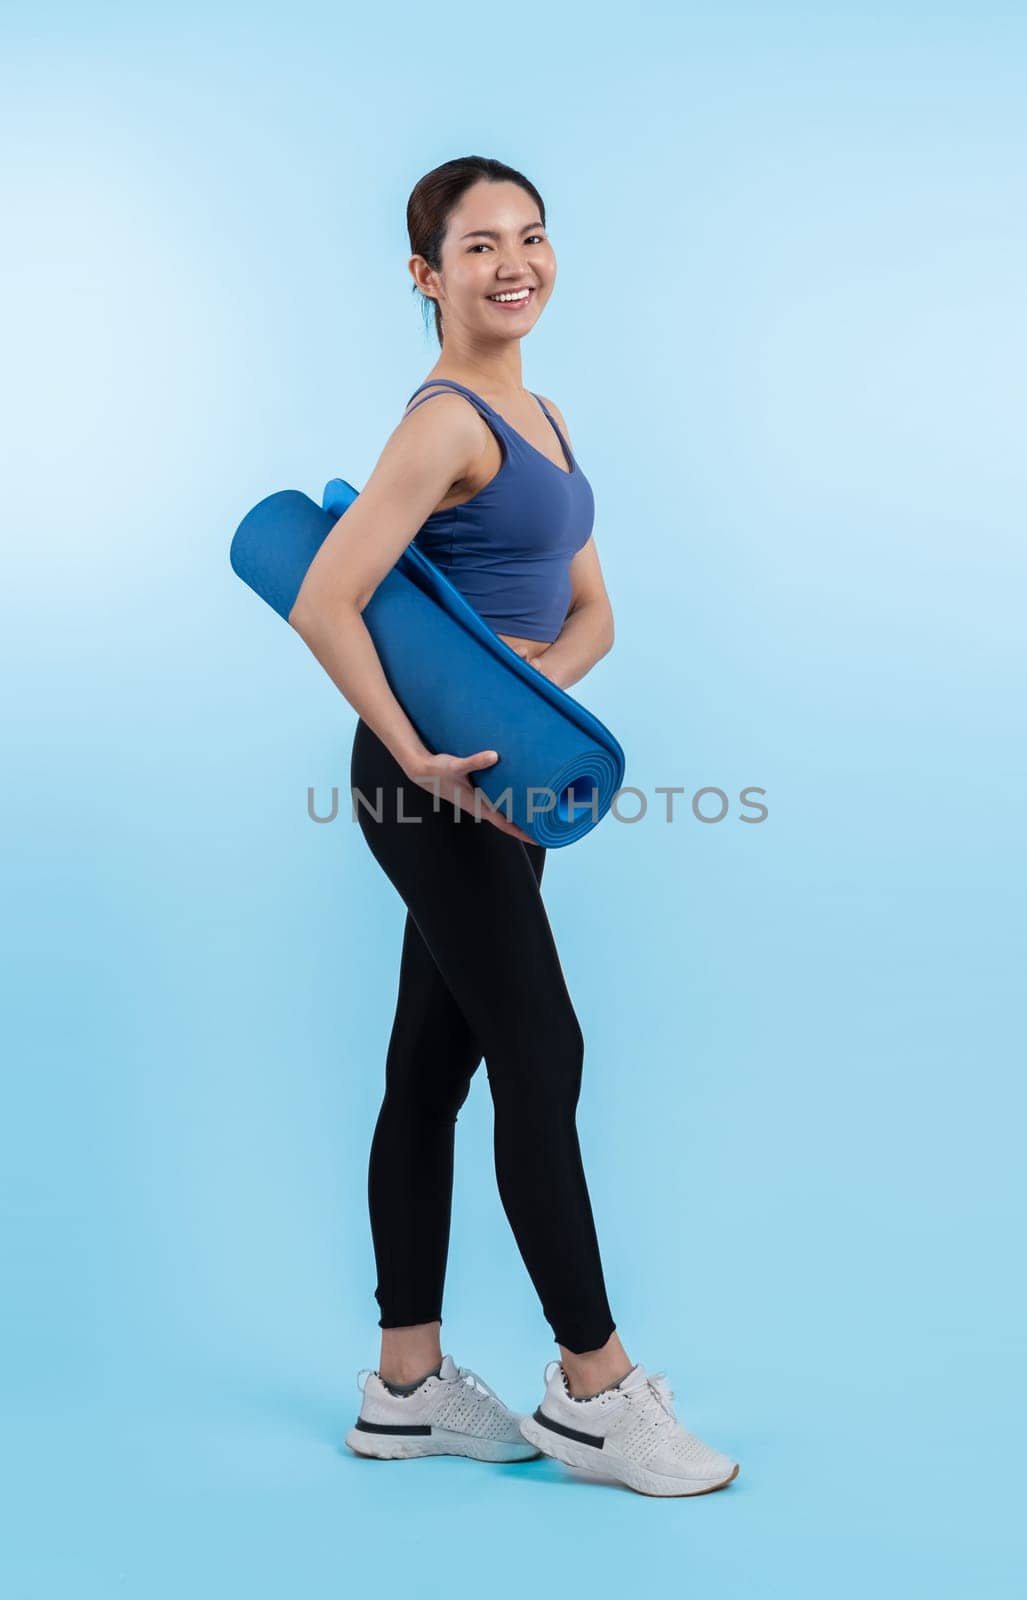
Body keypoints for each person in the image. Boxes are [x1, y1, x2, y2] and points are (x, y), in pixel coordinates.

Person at [288, 156, 739, 1497]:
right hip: (426, 788)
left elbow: (591, 613)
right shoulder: (443, 425)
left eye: (531, 238)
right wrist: (423, 751)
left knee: (434, 1070)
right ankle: (594, 1389)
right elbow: (327, 599)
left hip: (508, 778)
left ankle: (406, 1388)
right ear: (427, 277)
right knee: (542, 1052)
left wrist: (522, 713)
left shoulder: (540, 414)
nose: (513, 264)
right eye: (477, 246)